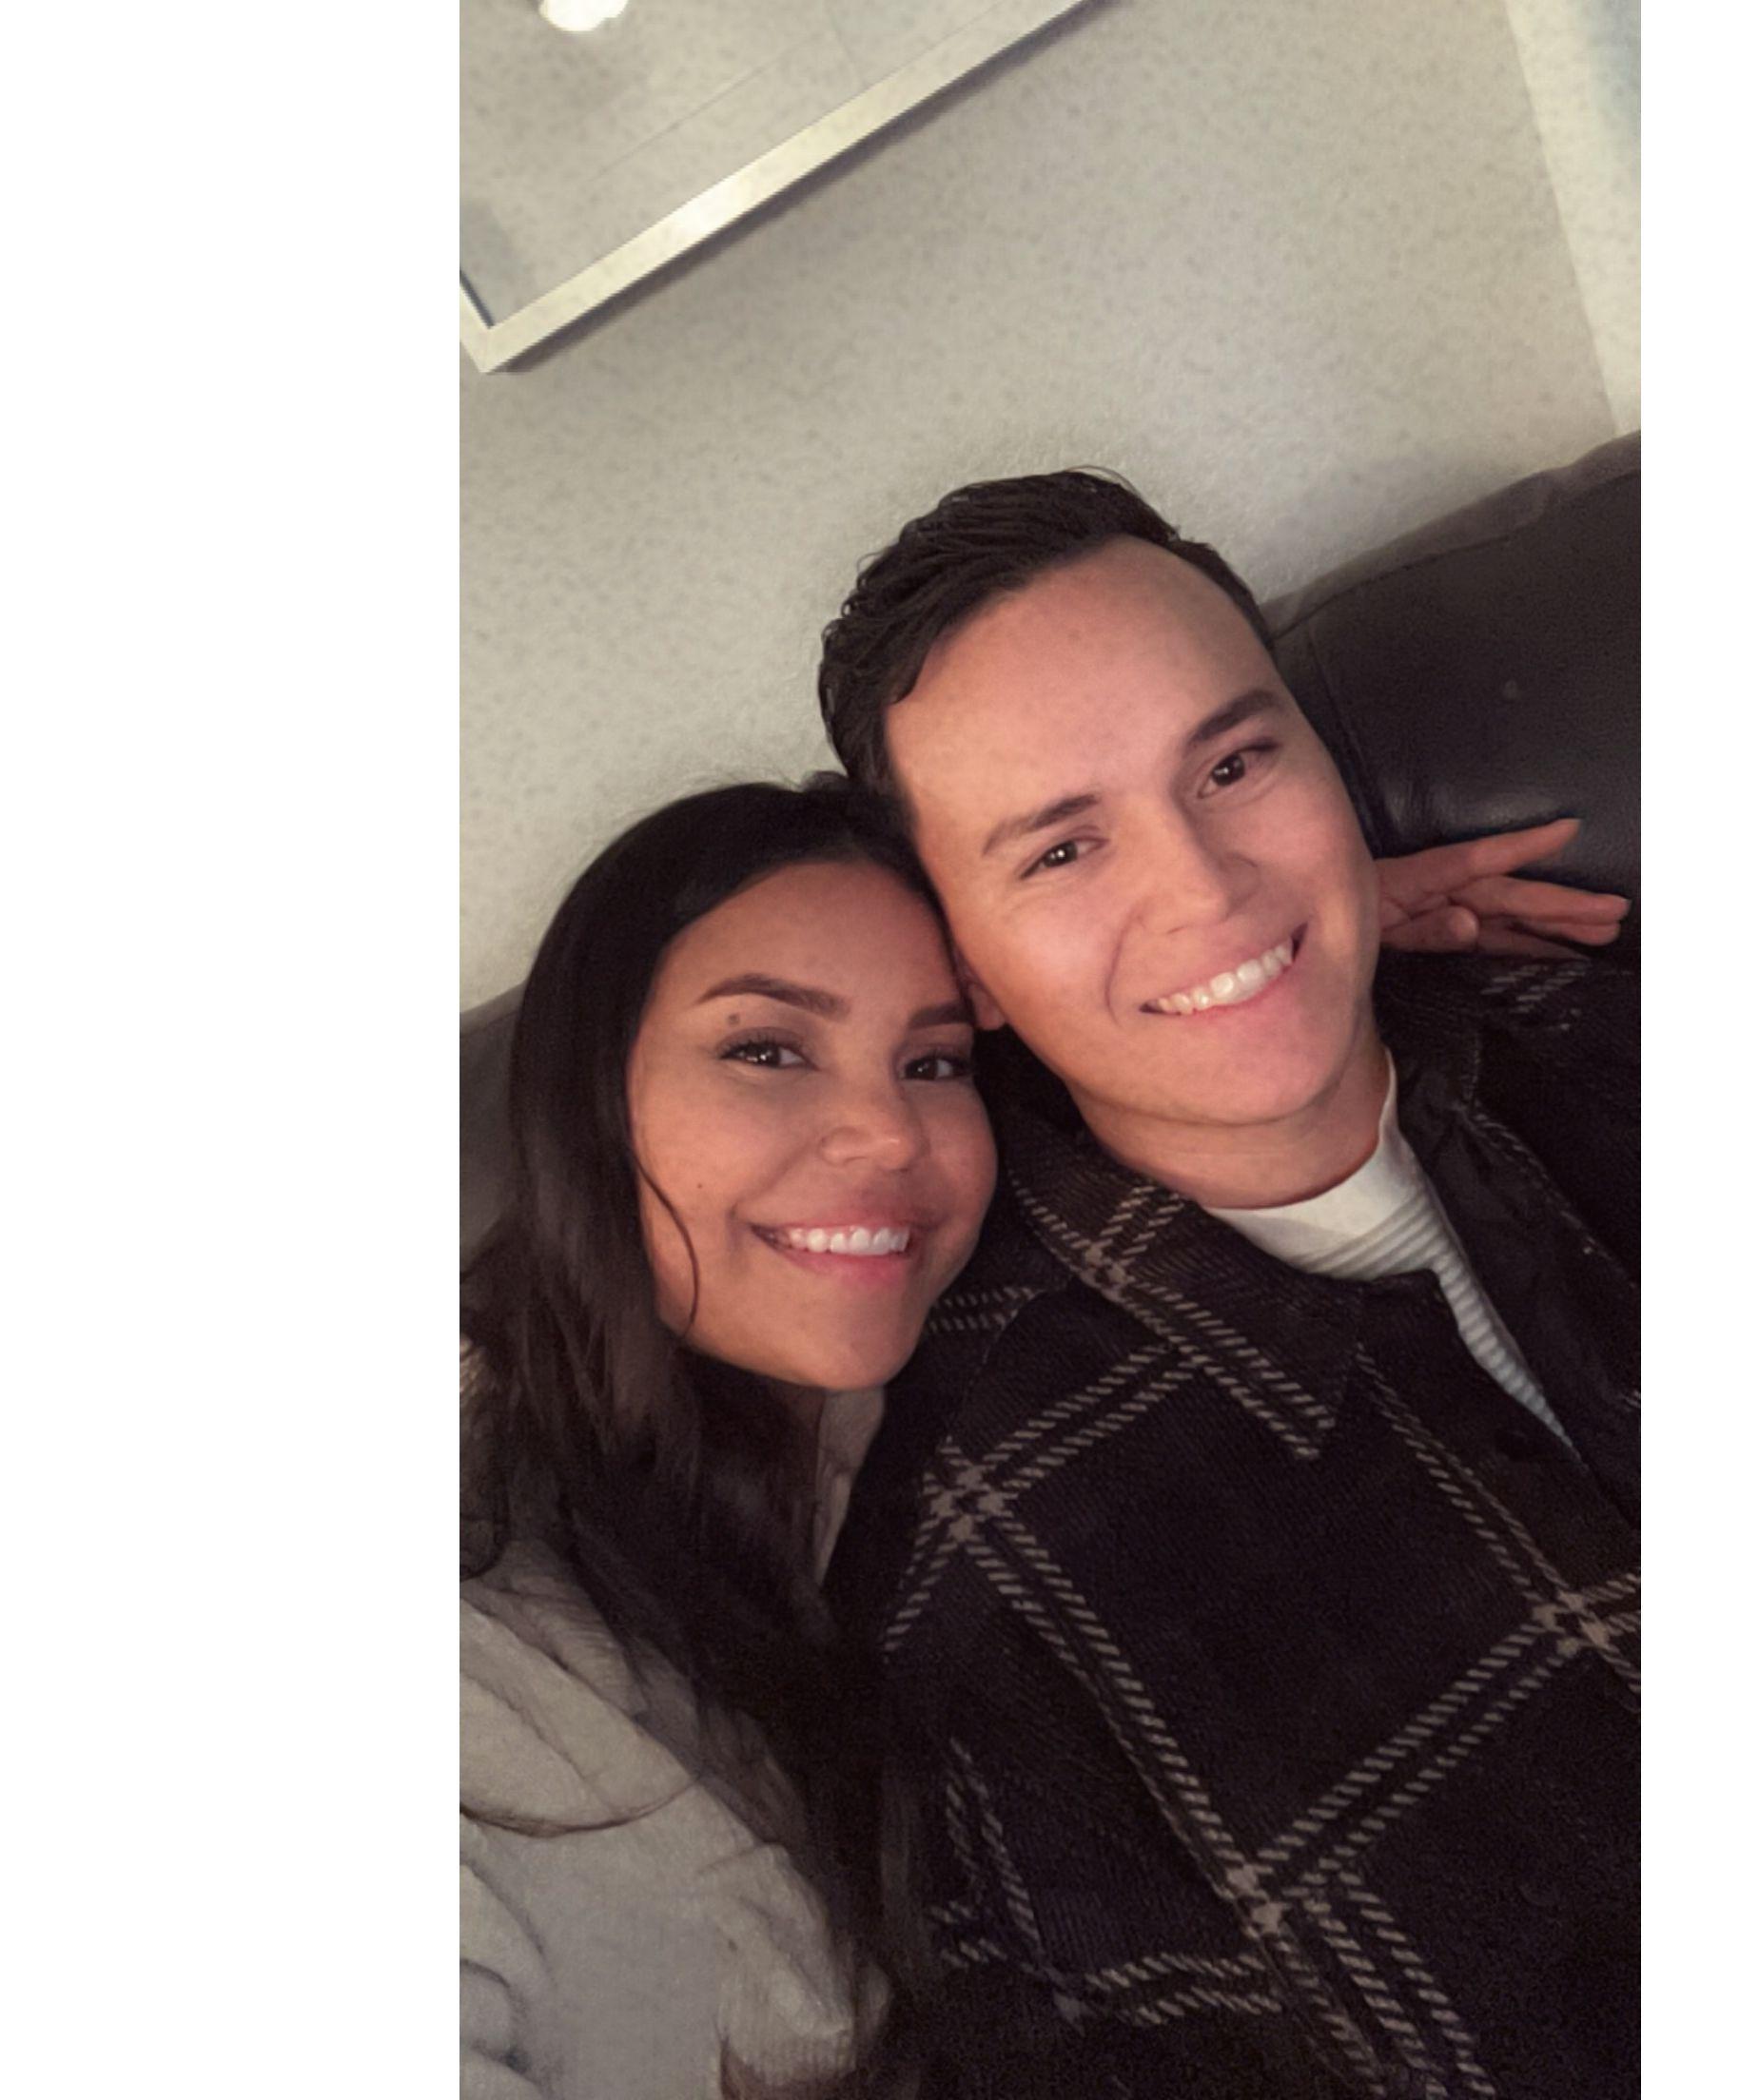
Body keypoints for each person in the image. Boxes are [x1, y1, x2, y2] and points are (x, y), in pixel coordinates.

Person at [814, 471, 1640, 2098]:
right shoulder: (991, 1592)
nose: (1204, 888)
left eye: (1236, 765)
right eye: (1063, 849)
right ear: (966, 970)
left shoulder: (1611, 1029)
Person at [459, 779, 999, 2100]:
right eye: (767, 1049)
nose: (891, 1131)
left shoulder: (935, 1385)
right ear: (588, 1100)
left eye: (935, 1062)